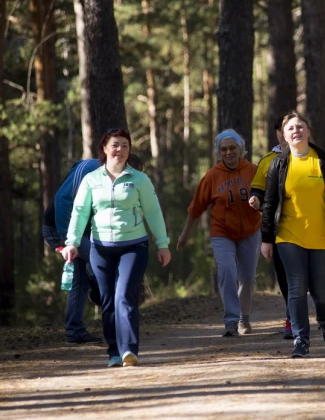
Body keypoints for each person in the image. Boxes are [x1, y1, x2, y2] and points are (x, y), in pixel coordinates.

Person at [61, 128, 170, 368]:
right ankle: (113, 351)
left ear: (129, 150)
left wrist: (163, 244)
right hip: (101, 248)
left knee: (124, 296)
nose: (119, 149)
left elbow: (153, 213)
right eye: (115, 145)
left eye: (124, 145)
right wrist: (72, 242)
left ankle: (129, 349)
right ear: (104, 148)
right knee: (107, 300)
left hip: (134, 246)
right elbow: (80, 213)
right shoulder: (91, 180)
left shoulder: (139, 180)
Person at [260, 111, 325, 358]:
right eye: (290, 128)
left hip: (322, 236)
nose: (296, 131)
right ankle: (301, 339)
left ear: (309, 131)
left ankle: (324, 319)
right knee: (297, 287)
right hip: (289, 236)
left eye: (300, 126)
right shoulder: (278, 164)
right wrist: (267, 239)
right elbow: (269, 203)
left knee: (322, 291)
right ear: (284, 135)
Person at [177, 129, 260, 337]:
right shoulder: (212, 176)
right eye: (224, 149)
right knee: (227, 271)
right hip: (221, 231)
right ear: (219, 152)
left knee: (248, 277)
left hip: (250, 230)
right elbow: (196, 207)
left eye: (233, 148)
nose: (229, 152)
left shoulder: (254, 170)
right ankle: (231, 321)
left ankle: (244, 318)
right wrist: (185, 234)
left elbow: (267, 199)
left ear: (241, 149)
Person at [249, 116, 293, 339]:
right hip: (277, 228)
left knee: (304, 276)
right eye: (282, 129)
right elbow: (257, 190)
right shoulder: (267, 161)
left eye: (293, 127)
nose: (287, 132)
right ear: (277, 132)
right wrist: (256, 199)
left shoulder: (310, 156)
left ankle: (306, 314)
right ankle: (292, 317)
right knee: (284, 275)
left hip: (306, 225)